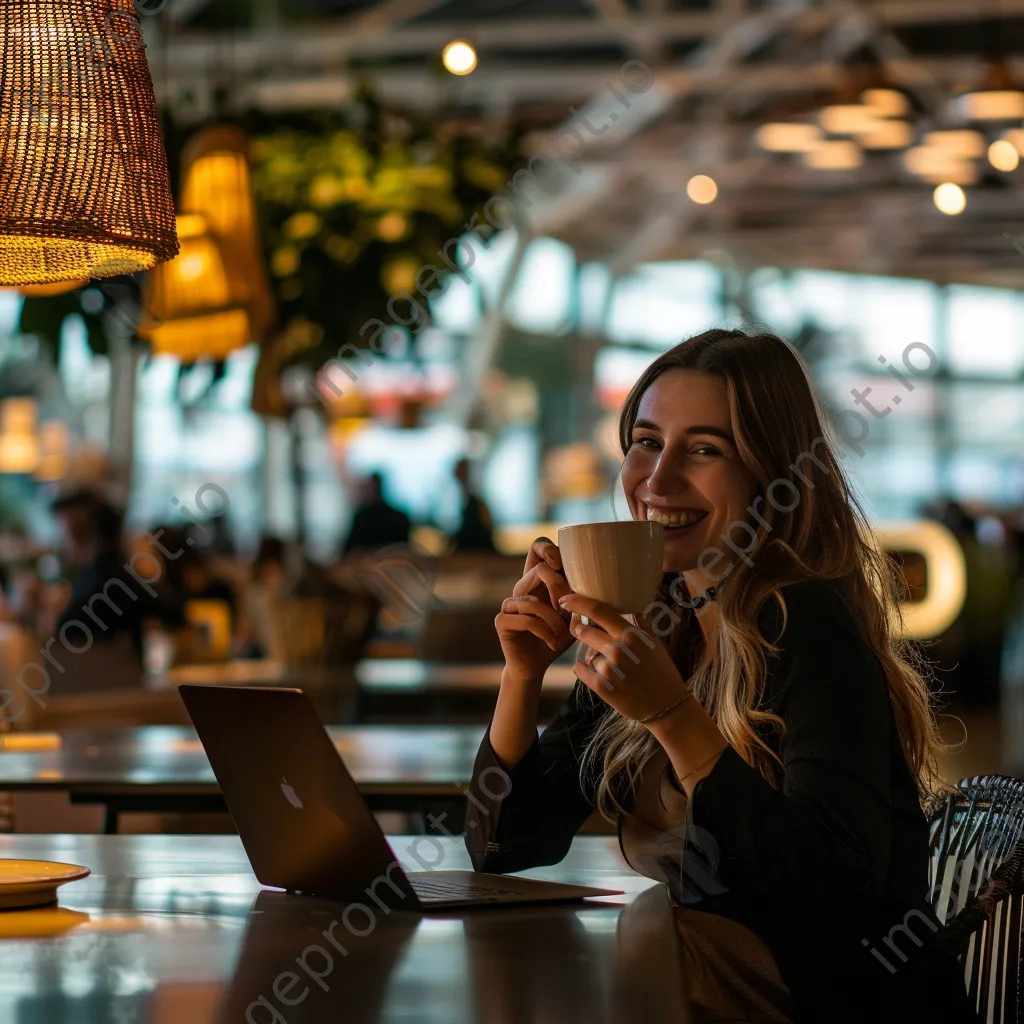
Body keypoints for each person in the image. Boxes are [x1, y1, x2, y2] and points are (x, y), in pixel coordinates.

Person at [465, 328, 976, 1023]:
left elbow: (833, 885)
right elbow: (505, 843)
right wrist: (522, 675)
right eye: (646, 442)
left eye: (705, 450)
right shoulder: (660, 621)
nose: (657, 479)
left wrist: (673, 718)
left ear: (772, 476)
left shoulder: (804, 620)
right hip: (701, 985)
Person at [51, 489, 186, 668]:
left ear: (77, 529)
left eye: (63, 530)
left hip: (109, 687)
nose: (61, 540)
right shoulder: (102, 575)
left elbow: (67, 633)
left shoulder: (108, 581)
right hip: (111, 684)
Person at [341, 472, 411, 557]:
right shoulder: (400, 516)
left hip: (367, 566)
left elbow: (349, 549)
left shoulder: (363, 516)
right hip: (397, 566)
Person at [452, 457, 496, 553]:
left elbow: (481, 534)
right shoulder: (462, 498)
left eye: (460, 471)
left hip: (479, 555)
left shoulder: (476, 502)